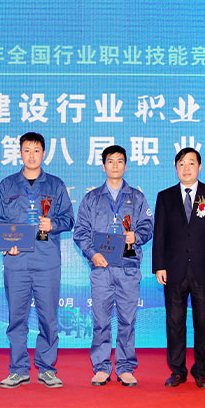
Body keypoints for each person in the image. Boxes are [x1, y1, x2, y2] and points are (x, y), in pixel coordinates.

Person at [0, 132, 74, 388]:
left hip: (46, 262)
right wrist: (7, 244)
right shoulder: (7, 185)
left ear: (44, 153)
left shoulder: (56, 185)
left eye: (36, 150)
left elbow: (69, 219)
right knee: (16, 319)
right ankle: (18, 369)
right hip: (16, 263)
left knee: (48, 318)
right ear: (20, 153)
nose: (31, 155)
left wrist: (53, 224)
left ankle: (47, 368)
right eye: (27, 150)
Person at [73, 145, 153, 387]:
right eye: (110, 161)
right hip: (101, 268)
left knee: (128, 320)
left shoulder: (137, 197)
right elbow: (80, 231)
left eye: (120, 161)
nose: (115, 165)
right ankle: (101, 367)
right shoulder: (91, 198)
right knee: (101, 320)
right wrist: (93, 254)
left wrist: (136, 236)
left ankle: (125, 367)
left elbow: (148, 226)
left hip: (128, 268)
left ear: (125, 166)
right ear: (103, 166)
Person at [152, 147, 205, 389]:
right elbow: (159, 234)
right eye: (182, 164)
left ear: (200, 167)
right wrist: (159, 266)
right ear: (176, 168)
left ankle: (202, 370)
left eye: (191, 163)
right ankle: (177, 370)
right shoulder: (165, 196)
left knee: (204, 323)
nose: (186, 168)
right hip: (173, 270)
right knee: (175, 323)